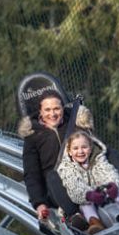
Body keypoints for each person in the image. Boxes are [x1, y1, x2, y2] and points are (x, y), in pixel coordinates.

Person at [57, 131, 119, 235]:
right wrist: (89, 195)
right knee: (86, 205)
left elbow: (109, 172)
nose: (80, 151)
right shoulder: (67, 168)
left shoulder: (98, 159)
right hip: (85, 199)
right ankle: (96, 225)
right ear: (70, 151)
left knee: (118, 193)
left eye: (84, 147)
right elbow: (74, 187)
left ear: (90, 148)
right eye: (75, 148)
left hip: (103, 193)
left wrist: (113, 185)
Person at [18, 90, 93, 222]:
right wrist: (39, 204)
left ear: (62, 109)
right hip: (58, 189)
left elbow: (99, 148)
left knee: (110, 155)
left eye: (57, 109)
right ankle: (75, 217)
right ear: (40, 112)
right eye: (47, 110)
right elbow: (31, 174)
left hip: (83, 178)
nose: (52, 114)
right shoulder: (33, 136)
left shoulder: (75, 123)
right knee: (52, 176)